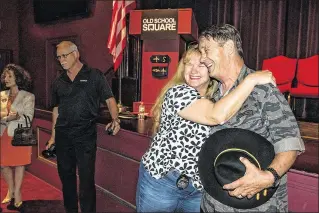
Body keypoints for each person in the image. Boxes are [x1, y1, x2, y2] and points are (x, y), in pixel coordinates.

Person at [136, 46, 276, 212]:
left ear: (211, 67)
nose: (194, 70)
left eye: (201, 64)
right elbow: (214, 116)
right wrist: (251, 80)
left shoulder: (220, 98)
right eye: (189, 64)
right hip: (162, 182)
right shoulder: (178, 92)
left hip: (198, 187)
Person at [198, 24, 305, 212]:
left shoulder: (262, 88)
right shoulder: (209, 92)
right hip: (213, 203)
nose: (203, 58)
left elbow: (290, 142)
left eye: (206, 50)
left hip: (257, 205)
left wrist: (269, 176)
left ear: (229, 48)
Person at [46, 41, 121, 213]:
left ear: (76, 54)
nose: (61, 60)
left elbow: (109, 99)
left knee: (86, 180)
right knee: (66, 178)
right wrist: (53, 136)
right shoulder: (58, 81)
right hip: (63, 136)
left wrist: (115, 120)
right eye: (58, 57)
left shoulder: (94, 75)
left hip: (85, 135)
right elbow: (56, 109)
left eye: (64, 55)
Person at [0, 64, 35, 211]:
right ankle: (11, 189)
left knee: (20, 164)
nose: (6, 79)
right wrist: (6, 118)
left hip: (20, 133)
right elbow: (2, 116)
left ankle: (18, 193)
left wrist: (17, 116)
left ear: (18, 78)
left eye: (9, 76)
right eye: (5, 76)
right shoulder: (1, 95)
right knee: (3, 164)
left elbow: (29, 117)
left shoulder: (28, 96)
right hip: (3, 134)